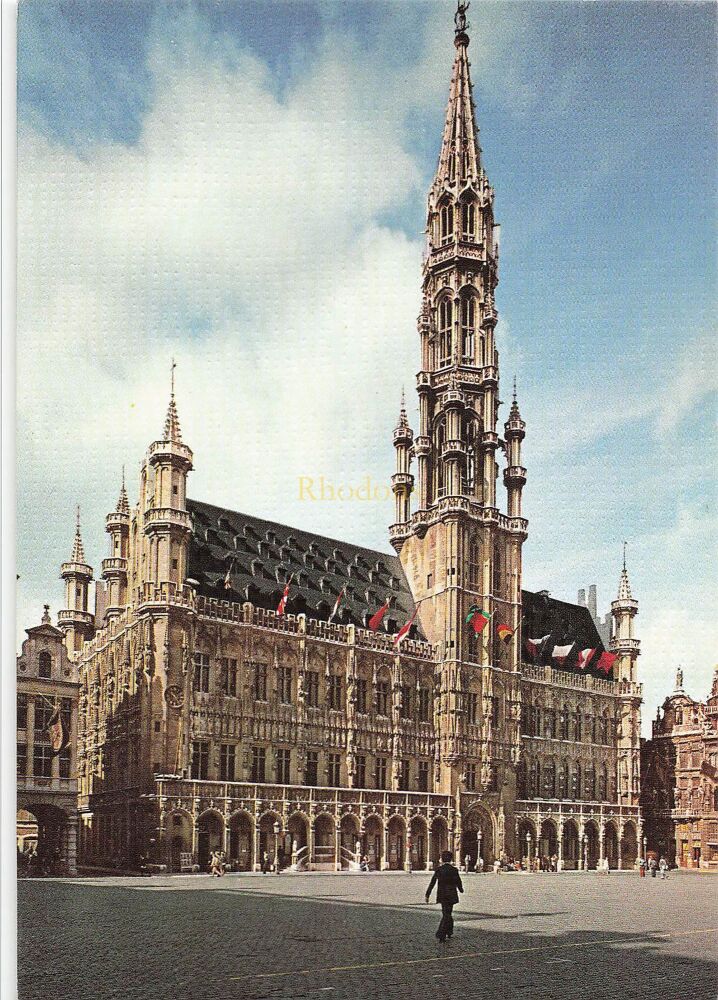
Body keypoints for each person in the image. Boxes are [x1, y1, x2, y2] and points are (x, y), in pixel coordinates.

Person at [425, 851, 464, 943]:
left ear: (442, 859)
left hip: (442, 894)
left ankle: (442, 933)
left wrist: (427, 894)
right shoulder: (454, 870)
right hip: (451, 894)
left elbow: (432, 882)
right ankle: (449, 931)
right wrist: (461, 889)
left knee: (445, 913)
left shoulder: (439, 869)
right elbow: (458, 881)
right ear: (451, 859)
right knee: (448, 913)